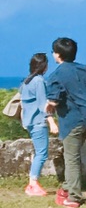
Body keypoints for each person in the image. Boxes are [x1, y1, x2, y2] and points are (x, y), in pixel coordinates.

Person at [43, 37, 86, 208]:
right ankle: (66, 188)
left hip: (73, 120)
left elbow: (54, 100)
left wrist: (48, 107)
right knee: (74, 153)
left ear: (57, 54)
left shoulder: (56, 75)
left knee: (71, 159)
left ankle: (74, 197)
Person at [17, 53, 49, 197]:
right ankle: (33, 183)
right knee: (41, 153)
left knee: (39, 152)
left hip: (29, 121)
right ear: (44, 66)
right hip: (38, 121)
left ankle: (33, 183)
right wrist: (51, 121)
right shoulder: (39, 81)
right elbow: (43, 104)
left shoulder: (26, 82)